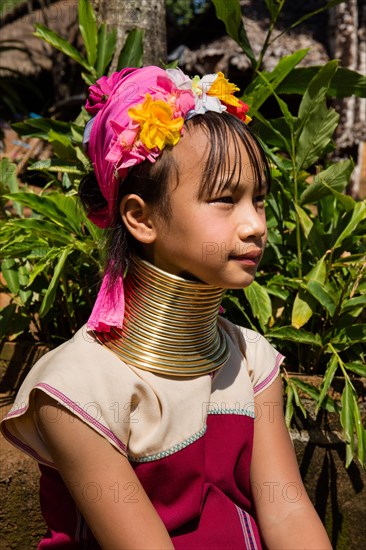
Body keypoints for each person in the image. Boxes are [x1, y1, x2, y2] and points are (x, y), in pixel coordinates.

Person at [1, 66, 332, 549]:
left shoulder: (252, 361)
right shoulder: (77, 389)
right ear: (140, 217)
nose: (255, 225)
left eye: (257, 200)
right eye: (224, 199)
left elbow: (287, 512)